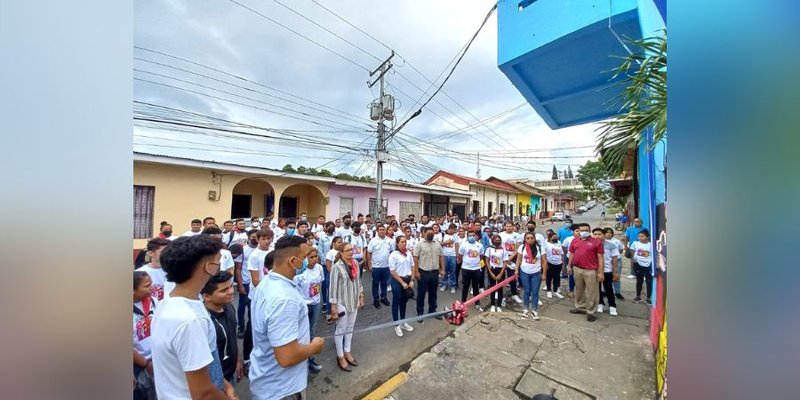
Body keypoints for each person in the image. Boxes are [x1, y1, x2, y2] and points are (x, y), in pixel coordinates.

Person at [151, 235, 235, 400]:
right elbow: (203, 394)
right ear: (209, 267)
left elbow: (200, 366)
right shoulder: (189, 320)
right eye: (218, 262)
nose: (220, 267)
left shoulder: (172, 303)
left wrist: (222, 383)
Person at [249, 235, 325, 400]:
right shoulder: (284, 299)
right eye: (304, 258)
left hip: (268, 380)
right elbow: (287, 356)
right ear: (293, 261)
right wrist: (314, 347)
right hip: (282, 389)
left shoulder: (268, 283)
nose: (309, 261)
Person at [202, 271, 244, 385]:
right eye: (224, 290)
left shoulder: (229, 307)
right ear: (207, 296)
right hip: (215, 381)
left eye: (230, 286)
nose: (231, 292)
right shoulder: (203, 322)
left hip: (231, 374)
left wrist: (237, 362)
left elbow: (232, 338)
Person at [329, 243, 365, 372]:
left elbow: (358, 281)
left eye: (351, 250)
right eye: (347, 250)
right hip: (341, 302)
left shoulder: (355, 263)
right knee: (340, 330)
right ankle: (340, 356)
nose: (350, 252)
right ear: (341, 252)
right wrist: (333, 308)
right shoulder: (337, 267)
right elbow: (333, 289)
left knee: (350, 328)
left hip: (354, 300)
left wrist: (361, 296)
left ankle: (347, 351)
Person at [293, 249, 324, 373]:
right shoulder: (300, 272)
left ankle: (310, 359)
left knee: (312, 330)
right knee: (302, 333)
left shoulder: (319, 268)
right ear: (305, 259)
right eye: (311, 257)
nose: (314, 259)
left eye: (316, 257)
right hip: (304, 306)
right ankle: (301, 361)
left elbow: (319, 284)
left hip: (315, 303)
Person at [567, 223, 605, 322]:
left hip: (591, 270)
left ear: (589, 231)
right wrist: (569, 266)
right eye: (582, 230)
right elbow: (571, 253)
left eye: (586, 230)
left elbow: (600, 257)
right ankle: (580, 306)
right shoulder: (575, 241)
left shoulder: (596, 242)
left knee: (592, 291)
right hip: (577, 268)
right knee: (579, 289)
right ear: (578, 231)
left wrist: (601, 272)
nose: (584, 232)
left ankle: (591, 311)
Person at [133, 271, 157, 400]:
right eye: (147, 286)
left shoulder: (153, 301)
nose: (151, 288)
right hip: (140, 365)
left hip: (158, 359)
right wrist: (146, 364)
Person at [412, 227, 444, 323]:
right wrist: (416, 272)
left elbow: (441, 257)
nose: (430, 234)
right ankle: (420, 314)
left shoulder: (437, 244)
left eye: (432, 233)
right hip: (423, 272)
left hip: (434, 272)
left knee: (433, 293)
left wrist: (443, 269)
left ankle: (432, 311)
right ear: (424, 233)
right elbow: (415, 258)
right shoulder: (419, 244)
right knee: (421, 294)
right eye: (428, 233)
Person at [388, 236, 416, 337]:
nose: (404, 243)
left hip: (407, 279)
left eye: (405, 242)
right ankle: (397, 324)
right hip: (397, 280)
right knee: (396, 301)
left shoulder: (408, 253)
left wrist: (412, 280)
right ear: (397, 244)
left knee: (404, 301)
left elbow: (413, 266)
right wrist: (402, 283)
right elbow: (392, 271)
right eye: (402, 242)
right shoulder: (393, 255)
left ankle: (403, 322)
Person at [516, 232, 547, 320]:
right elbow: (519, 259)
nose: (530, 240)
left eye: (531, 238)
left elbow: (544, 262)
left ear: (534, 239)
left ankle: (534, 309)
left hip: (536, 272)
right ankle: (525, 308)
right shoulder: (522, 248)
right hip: (524, 272)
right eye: (528, 238)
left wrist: (544, 274)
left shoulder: (540, 248)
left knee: (535, 291)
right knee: (526, 290)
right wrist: (516, 269)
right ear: (525, 239)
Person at [237, 229, 258, 339]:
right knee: (242, 306)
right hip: (245, 282)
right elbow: (238, 269)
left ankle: (251, 327)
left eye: (257, 236)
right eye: (253, 236)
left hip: (257, 283)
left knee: (253, 306)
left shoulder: (261, 250)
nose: (255, 238)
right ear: (249, 237)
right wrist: (240, 285)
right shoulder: (243, 250)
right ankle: (241, 327)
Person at [366, 225, 394, 309]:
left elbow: (392, 252)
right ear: (377, 231)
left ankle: (383, 297)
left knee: (384, 283)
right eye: (380, 230)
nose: (382, 231)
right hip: (376, 266)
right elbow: (369, 253)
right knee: (375, 283)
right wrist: (369, 265)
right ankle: (376, 299)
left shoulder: (389, 240)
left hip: (386, 266)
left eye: (383, 230)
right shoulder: (373, 241)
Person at [457, 231, 484, 312]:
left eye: (473, 235)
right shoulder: (463, 245)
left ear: (476, 236)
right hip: (466, 269)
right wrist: (465, 262)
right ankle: (463, 302)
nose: (472, 237)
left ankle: (477, 303)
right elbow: (460, 256)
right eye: (470, 235)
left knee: (476, 287)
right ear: (467, 236)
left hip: (476, 269)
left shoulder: (480, 245)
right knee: (465, 286)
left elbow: (481, 256)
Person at [597, 229, 620, 316]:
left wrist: (615, 271)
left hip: (607, 270)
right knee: (597, 289)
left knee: (609, 289)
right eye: (595, 234)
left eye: (600, 234)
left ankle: (612, 306)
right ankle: (600, 304)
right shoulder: (592, 244)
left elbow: (615, 259)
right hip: (596, 270)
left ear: (604, 235)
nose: (597, 236)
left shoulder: (611, 245)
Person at [484, 234, 509, 312]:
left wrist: (501, 273)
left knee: (500, 288)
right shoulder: (489, 249)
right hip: (492, 270)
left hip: (500, 270)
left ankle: (498, 305)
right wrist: (490, 272)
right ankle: (492, 304)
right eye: (495, 240)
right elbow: (487, 260)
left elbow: (505, 262)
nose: (497, 241)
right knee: (492, 288)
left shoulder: (504, 250)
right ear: (492, 241)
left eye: (498, 240)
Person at [500, 221, 523, 305]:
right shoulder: (501, 235)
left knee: (512, 277)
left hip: (513, 258)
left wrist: (511, 257)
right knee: (501, 276)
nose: (509, 227)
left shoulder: (517, 236)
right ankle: (499, 294)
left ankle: (514, 293)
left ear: (513, 227)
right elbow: (499, 247)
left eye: (511, 226)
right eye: (507, 226)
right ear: (504, 227)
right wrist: (505, 258)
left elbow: (518, 248)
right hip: (502, 258)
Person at [630, 229, 654, 304]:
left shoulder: (651, 244)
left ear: (647, 237)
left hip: (648, 265)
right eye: (639, 236)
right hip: (638, 264)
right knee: (639, 281)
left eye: (642, 236)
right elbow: (632, 253)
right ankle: (638, 296)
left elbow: (654, 254)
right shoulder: (635, 243)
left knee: (649, 281)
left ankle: (648, 298)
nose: (640, 238)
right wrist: (633, 262)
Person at [318, 221, 336, 315]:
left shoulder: (336, 237)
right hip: (325, 264)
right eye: (328, 226)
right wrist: (326, 261)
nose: (330, 227)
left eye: (332, 226)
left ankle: (333, 302)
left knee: (333, 284)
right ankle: (325, 302)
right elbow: (320, 251)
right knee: (325, 284)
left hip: (335, 263)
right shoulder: (322, 238)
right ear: (325, 227)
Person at [603, 227, 626, 300]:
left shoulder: (616, 241)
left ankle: (617, 292)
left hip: (617, 260)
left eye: (610, 232)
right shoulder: (602, 241)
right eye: (607, 232)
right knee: (606, 277)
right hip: (606, 261)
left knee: (616, 276)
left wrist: (614, 255)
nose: (609, 234)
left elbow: (621, 250)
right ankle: (605, 291)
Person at [439, 224, 458, 294]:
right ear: (450, 228)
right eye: (454, 230)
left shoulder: (455, 236)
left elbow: (456, 245)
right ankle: (444, 284)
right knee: (445, 270)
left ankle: (453, 285)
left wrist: (457, 255)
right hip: (444, 255)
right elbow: (439, 244)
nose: (455, 231)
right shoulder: (443, 235)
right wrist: (446, 242)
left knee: (453, 271)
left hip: (453, 255)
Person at [544, 234, 565, 299]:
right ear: (550, 238)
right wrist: (545, 264)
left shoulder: (559, 244)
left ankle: (555, 290)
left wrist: (563, 264)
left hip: (558, 263)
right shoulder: (547, 244)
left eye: (556, 237)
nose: (555, 238)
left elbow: (562, 254)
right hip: (550, 263)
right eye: (554, 237)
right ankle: (549, 290)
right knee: (549, 277)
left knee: (556, 277)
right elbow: (544, 255)